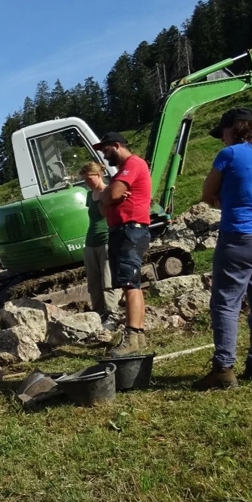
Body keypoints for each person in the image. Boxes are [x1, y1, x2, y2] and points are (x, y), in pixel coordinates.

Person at [193, 108, 252, 390]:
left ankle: (223, 369)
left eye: (223, 132)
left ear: (234, 128)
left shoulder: (230, 154)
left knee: (226, 303)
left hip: (240, 239)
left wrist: (226, 201)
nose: (222, 139)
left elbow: (207, 194)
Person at [97, 132, 152, 357]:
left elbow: (114, 194)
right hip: (122, 230)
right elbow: (103, 205)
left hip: (130, 230)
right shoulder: (121, 171)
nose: (104, 155)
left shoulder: (133, 164)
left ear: (117, 146)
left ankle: (131, 337)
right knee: (131, 283)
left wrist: (108, 196)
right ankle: (137, 336)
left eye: (106, 150)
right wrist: (107, 197)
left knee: (130, 283)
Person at [79, 161, 122, 328]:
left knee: (107, 279)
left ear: (98, 175)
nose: (87, 183)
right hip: (90, 241)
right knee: (93, 282)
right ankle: (97, 314)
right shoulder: (90, 196)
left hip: (105, 239)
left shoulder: (108, 192)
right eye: (85, 180)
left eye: (89, 179)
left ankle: (112, 313)